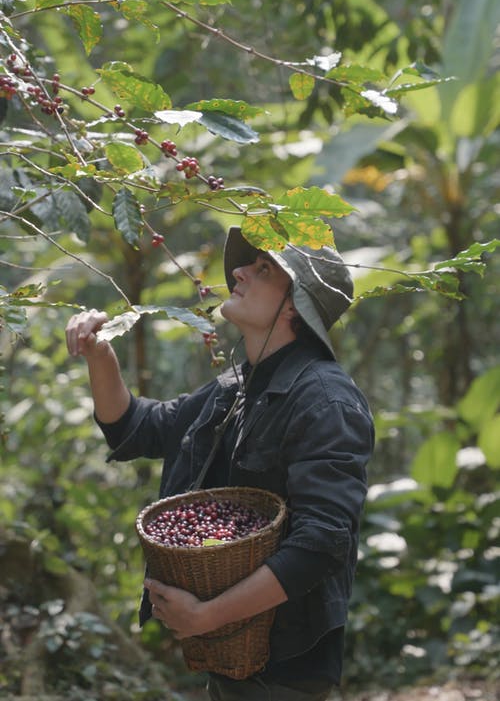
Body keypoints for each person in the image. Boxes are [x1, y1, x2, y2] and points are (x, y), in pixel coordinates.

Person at [65, 226, 375, 701]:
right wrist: (100, 355)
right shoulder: (235, 387)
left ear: (294, 305)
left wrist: (207, 615)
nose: (238, 272)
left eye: (263, 268)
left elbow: (321, 543)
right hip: (230, 654)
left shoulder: (326, 400)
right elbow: (136, 428)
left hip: (285, 664)